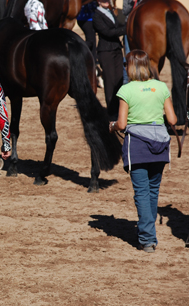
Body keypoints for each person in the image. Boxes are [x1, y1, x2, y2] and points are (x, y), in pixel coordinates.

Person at [109, 50, 177, 253]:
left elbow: (122, 124)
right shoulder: (161, 87)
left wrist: (112, 126)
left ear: (129, 67)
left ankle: (147, 238)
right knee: (152, 191)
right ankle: (148, 232)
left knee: (141, 192)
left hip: (137, 145)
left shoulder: (126, 90)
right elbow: (173, 120)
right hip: (160, 144)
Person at [93, 0, 126, 120]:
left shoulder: (111, 12)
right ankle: (112, 112)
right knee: (110, 81)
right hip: (105, 51)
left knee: (119, 80)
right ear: (98, 1)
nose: (106, 1)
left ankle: (119, 109)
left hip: (116, 49)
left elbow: (117, 26)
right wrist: (125, 30)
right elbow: (107, 32)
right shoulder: (96, 15)